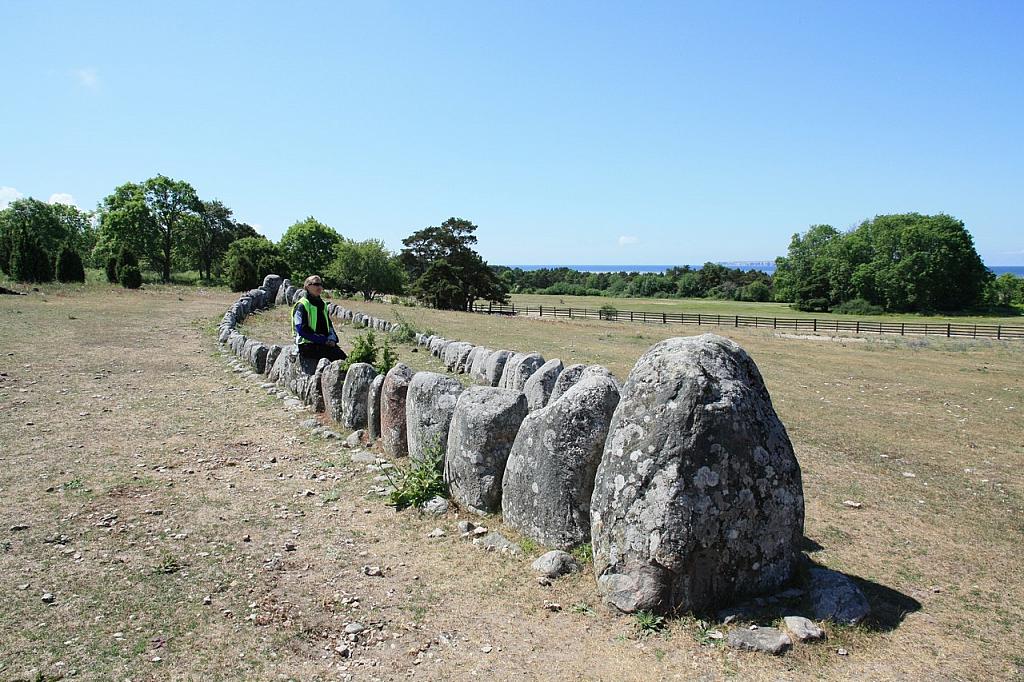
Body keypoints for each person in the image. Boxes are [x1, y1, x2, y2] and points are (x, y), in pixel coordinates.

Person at [293, 275, 347, 362]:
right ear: (307, 286)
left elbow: (329, 325)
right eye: (316, 284)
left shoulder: (322, 304)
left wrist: (332, 339)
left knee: (343, 358)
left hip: (322, 343)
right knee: (338, 359)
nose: (320, 287)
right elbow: (301, 330)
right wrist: (324, 340)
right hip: (307, 345)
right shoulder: (302, 305)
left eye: (321, 284)